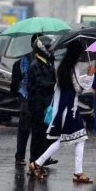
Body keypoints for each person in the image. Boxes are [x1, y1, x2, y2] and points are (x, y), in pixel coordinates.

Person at [29, 40, 95, 183]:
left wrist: (85, 77)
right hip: (69, 110)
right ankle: (76, 172)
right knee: (78, 138)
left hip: (65, 110)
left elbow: (73, 84)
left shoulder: (64, 67)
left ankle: (37, 163)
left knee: (66, 140)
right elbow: (78, 88)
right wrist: (90, 76)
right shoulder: (72, 68)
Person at [13, 33, 42, 165]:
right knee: (24, 129)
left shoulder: (47, 58)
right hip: (26, 97)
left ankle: (35, 158)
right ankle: (20, 157)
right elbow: (26, 74)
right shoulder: (26, 58)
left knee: (38, 130)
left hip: (40, 98)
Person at [27, 36, 56, 164]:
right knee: (37, 134)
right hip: (38, 105)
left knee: (46, 133)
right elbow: (40, 84)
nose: (53, 51)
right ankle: (34, 161)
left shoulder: (47, 62)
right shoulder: (36, 65)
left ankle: (43, 158)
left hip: (46, 103)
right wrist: (53, 85)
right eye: (50, 49)